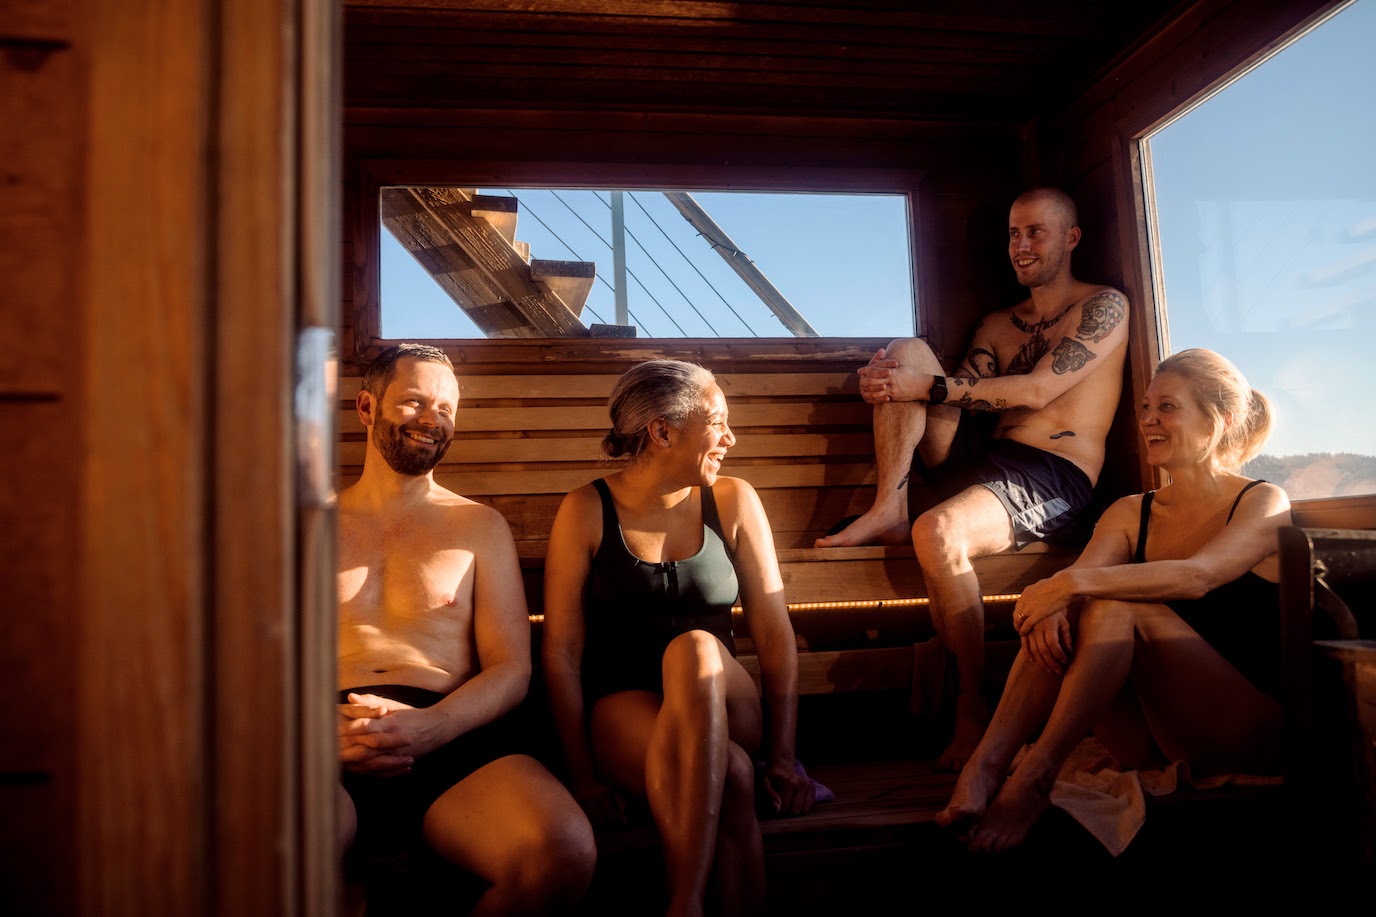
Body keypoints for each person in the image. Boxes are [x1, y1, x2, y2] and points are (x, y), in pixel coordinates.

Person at [815, 187, 1130, 770]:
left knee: (938, 532)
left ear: (1072, 237)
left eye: (1036, 231)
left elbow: (1037, 390)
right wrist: (890, 386)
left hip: (1053, 474)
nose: (1021, 245)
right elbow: (963, 396)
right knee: (905, 349)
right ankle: (890, 505)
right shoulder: (996, 323)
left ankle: (970, 709)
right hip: (983, 458)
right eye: (1014, 233)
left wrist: (924, 389)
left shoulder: (1103, 306)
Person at [936, 348, 1291, 852]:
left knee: (1105, 599)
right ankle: (986, 763)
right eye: (1146, 407)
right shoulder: (1130, 512)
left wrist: (1067, 587)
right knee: (1068, 611)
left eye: (1168, 407)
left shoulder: (1262, 501)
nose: (1148, 419)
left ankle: (1035, 776)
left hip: (1248, 731)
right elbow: (1076, 585)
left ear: (1221, 420)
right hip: (1156, 738)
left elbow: (1199, 576)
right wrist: (1055, 601)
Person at [542, 359, 816, 917]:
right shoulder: (586, 510)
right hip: (625, 708)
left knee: (693, 650)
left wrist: (785, 756)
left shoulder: (734, 501)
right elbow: (562, 654)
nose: (730, 438)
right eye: (717, 422)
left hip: (724, 699)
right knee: (735, 778)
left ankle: (682, 904)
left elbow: (772, 630)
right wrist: (584, 777)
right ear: (662, 432)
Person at [336, 343, 596, 914]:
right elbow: (255, 662)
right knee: (259, 854)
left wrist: (431, 728)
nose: (434, 419)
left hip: (451, 733)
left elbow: (512, 667)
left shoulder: (479, 526)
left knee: (561, 853)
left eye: (448, 408)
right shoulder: (305, 524)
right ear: (366, 407)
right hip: (327, 739)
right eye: (414, 402)